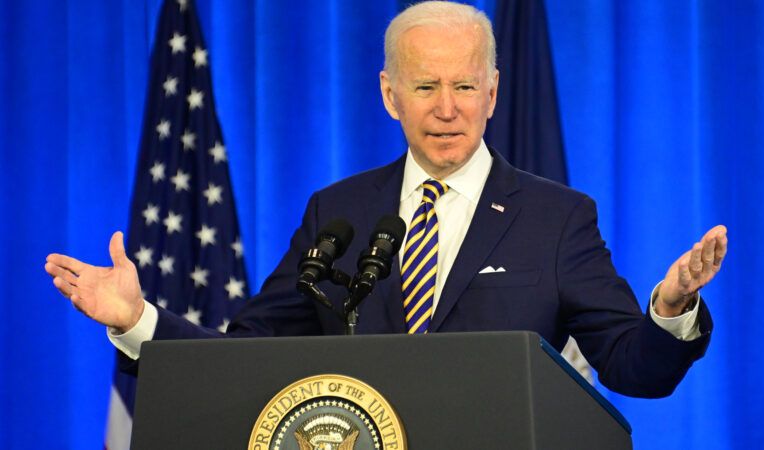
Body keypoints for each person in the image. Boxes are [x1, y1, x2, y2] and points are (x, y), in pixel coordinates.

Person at [44, 1, 727, 398]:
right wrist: (139, 320)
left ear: (492, 94)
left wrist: (669, 310)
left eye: (464, 87)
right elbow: (242, 358)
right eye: (425, 87)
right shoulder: (336, 212)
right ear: (388, 94)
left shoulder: (555, 217)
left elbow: (635, 371)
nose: (448, 109)